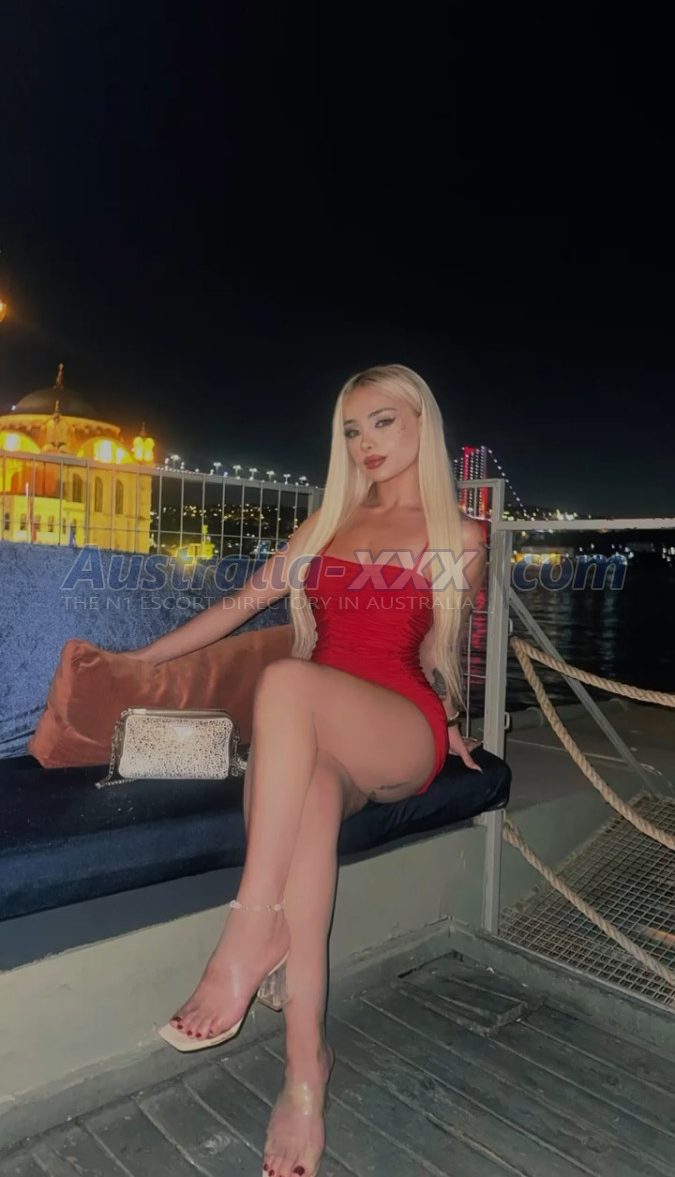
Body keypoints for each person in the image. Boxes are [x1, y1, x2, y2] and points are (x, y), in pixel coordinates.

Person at [120, 365, 487, 1177]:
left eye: (383, 422)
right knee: (310, 798)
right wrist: (138, 663)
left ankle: (250, 928)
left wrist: (455, 723)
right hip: (311, 736)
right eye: (352, 430)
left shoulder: (460, 536)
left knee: (285, 679)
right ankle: (304, 1071)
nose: (365, 443)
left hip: (397, 727)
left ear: (421, 424)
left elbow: (442, 649)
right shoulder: (328, 520)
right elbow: (241, 604)